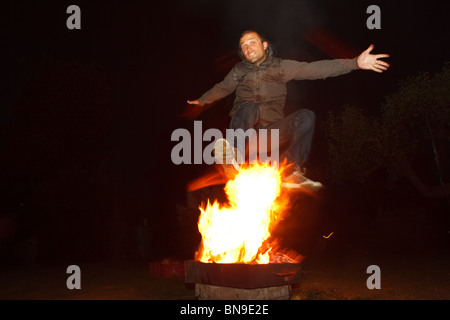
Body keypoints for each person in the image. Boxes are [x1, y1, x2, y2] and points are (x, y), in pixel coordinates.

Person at [187, 30, 389, 190]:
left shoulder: (282, 67)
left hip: (272, 133)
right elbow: (223, 87)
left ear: (264, 45)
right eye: (244, 45)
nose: (248, 48)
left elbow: (315, 70)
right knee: (248, 107)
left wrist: (354, 63)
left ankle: (291, 170)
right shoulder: (239, 71)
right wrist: (203, 100)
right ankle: (233, 158)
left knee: (305, 116)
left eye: (252, 42)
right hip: (246, 133)